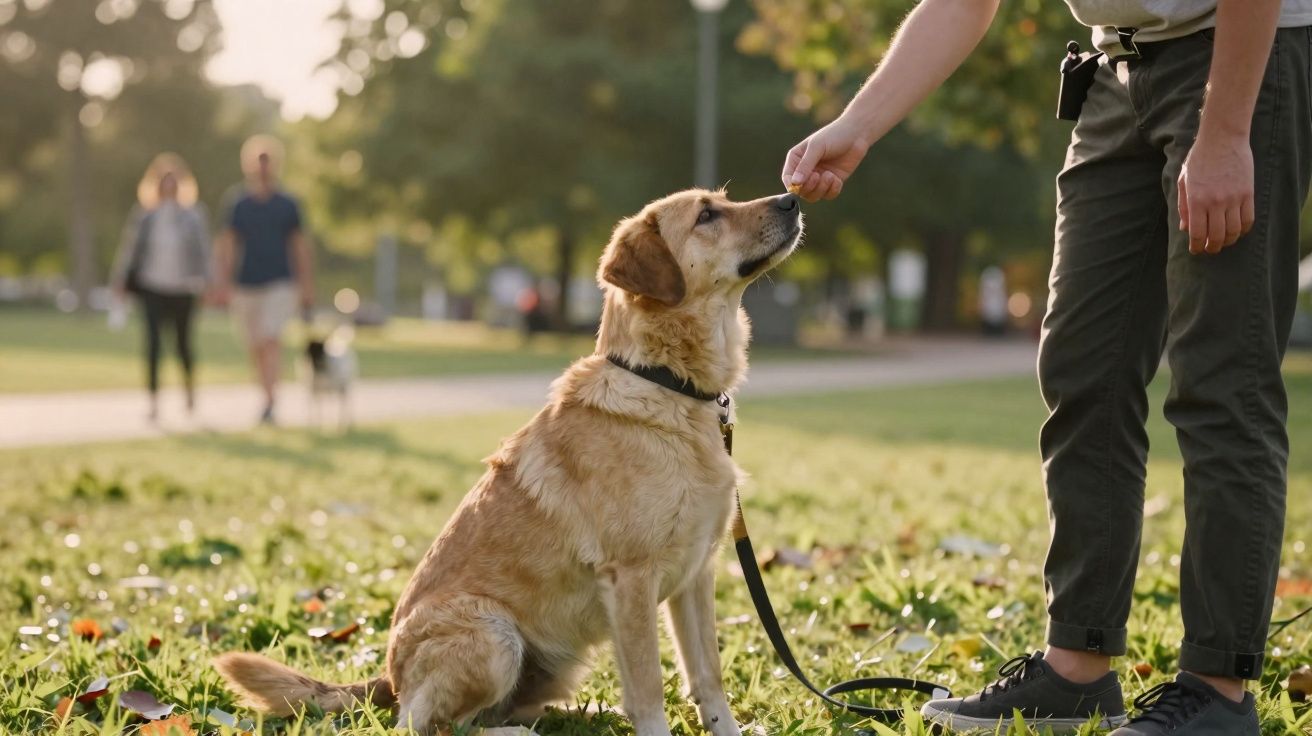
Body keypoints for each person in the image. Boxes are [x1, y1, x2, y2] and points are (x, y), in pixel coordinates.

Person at [782, 1, 1311, 734]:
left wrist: (1225, 134)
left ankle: (1217, 691)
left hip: (1234, 60)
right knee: (1082, 370)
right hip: (1114, 72)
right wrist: (857, 126)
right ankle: (1077, 669)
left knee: (1222, 381)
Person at [212, 135, 315, 425]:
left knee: (271, 338)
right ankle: (265, 393)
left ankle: (271, 401)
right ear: (249, 166)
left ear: (276, 165)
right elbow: (228, 245)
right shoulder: (238, 204)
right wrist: (221, 282)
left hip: (280, 281)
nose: (263, 167)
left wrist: (307, 284)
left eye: (267, 161)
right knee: (255, 343)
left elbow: (299, 246)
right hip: (247, 283)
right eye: (259, 161)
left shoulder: (287, 204)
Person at [110, 153, 210, 421]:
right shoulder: (145, 216)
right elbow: (129, 251)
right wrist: (119, 281)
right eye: (164, 181)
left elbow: (203, 253)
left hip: (183, 288)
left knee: (183, 344)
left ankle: (189, 392)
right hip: (152, 286)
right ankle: (153, 401)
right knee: (152, 344)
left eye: (173, 181)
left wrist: (209, 282)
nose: (169, 186)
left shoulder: (192, 216)